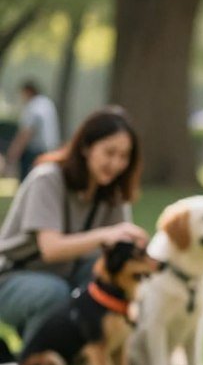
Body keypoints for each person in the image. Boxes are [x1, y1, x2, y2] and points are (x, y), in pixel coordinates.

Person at [0, 106, 147, 350]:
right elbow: (51, 249)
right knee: (53, 292)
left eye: (124, 156)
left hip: (67, 277)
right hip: (11, 278)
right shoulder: (47, 178)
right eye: (109, 152)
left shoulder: (113, 192)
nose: (116, 163)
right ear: (86, 147)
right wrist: (105, 234)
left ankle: (116, 353)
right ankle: (37, 358)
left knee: (116, 281)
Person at [4, 80, 61, 181]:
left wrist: (12, 154)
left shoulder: (33, 106)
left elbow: (26, 133)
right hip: (49, 150)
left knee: (28, 181)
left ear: (28, 91)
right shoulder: (47, 103)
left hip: (34, 153)